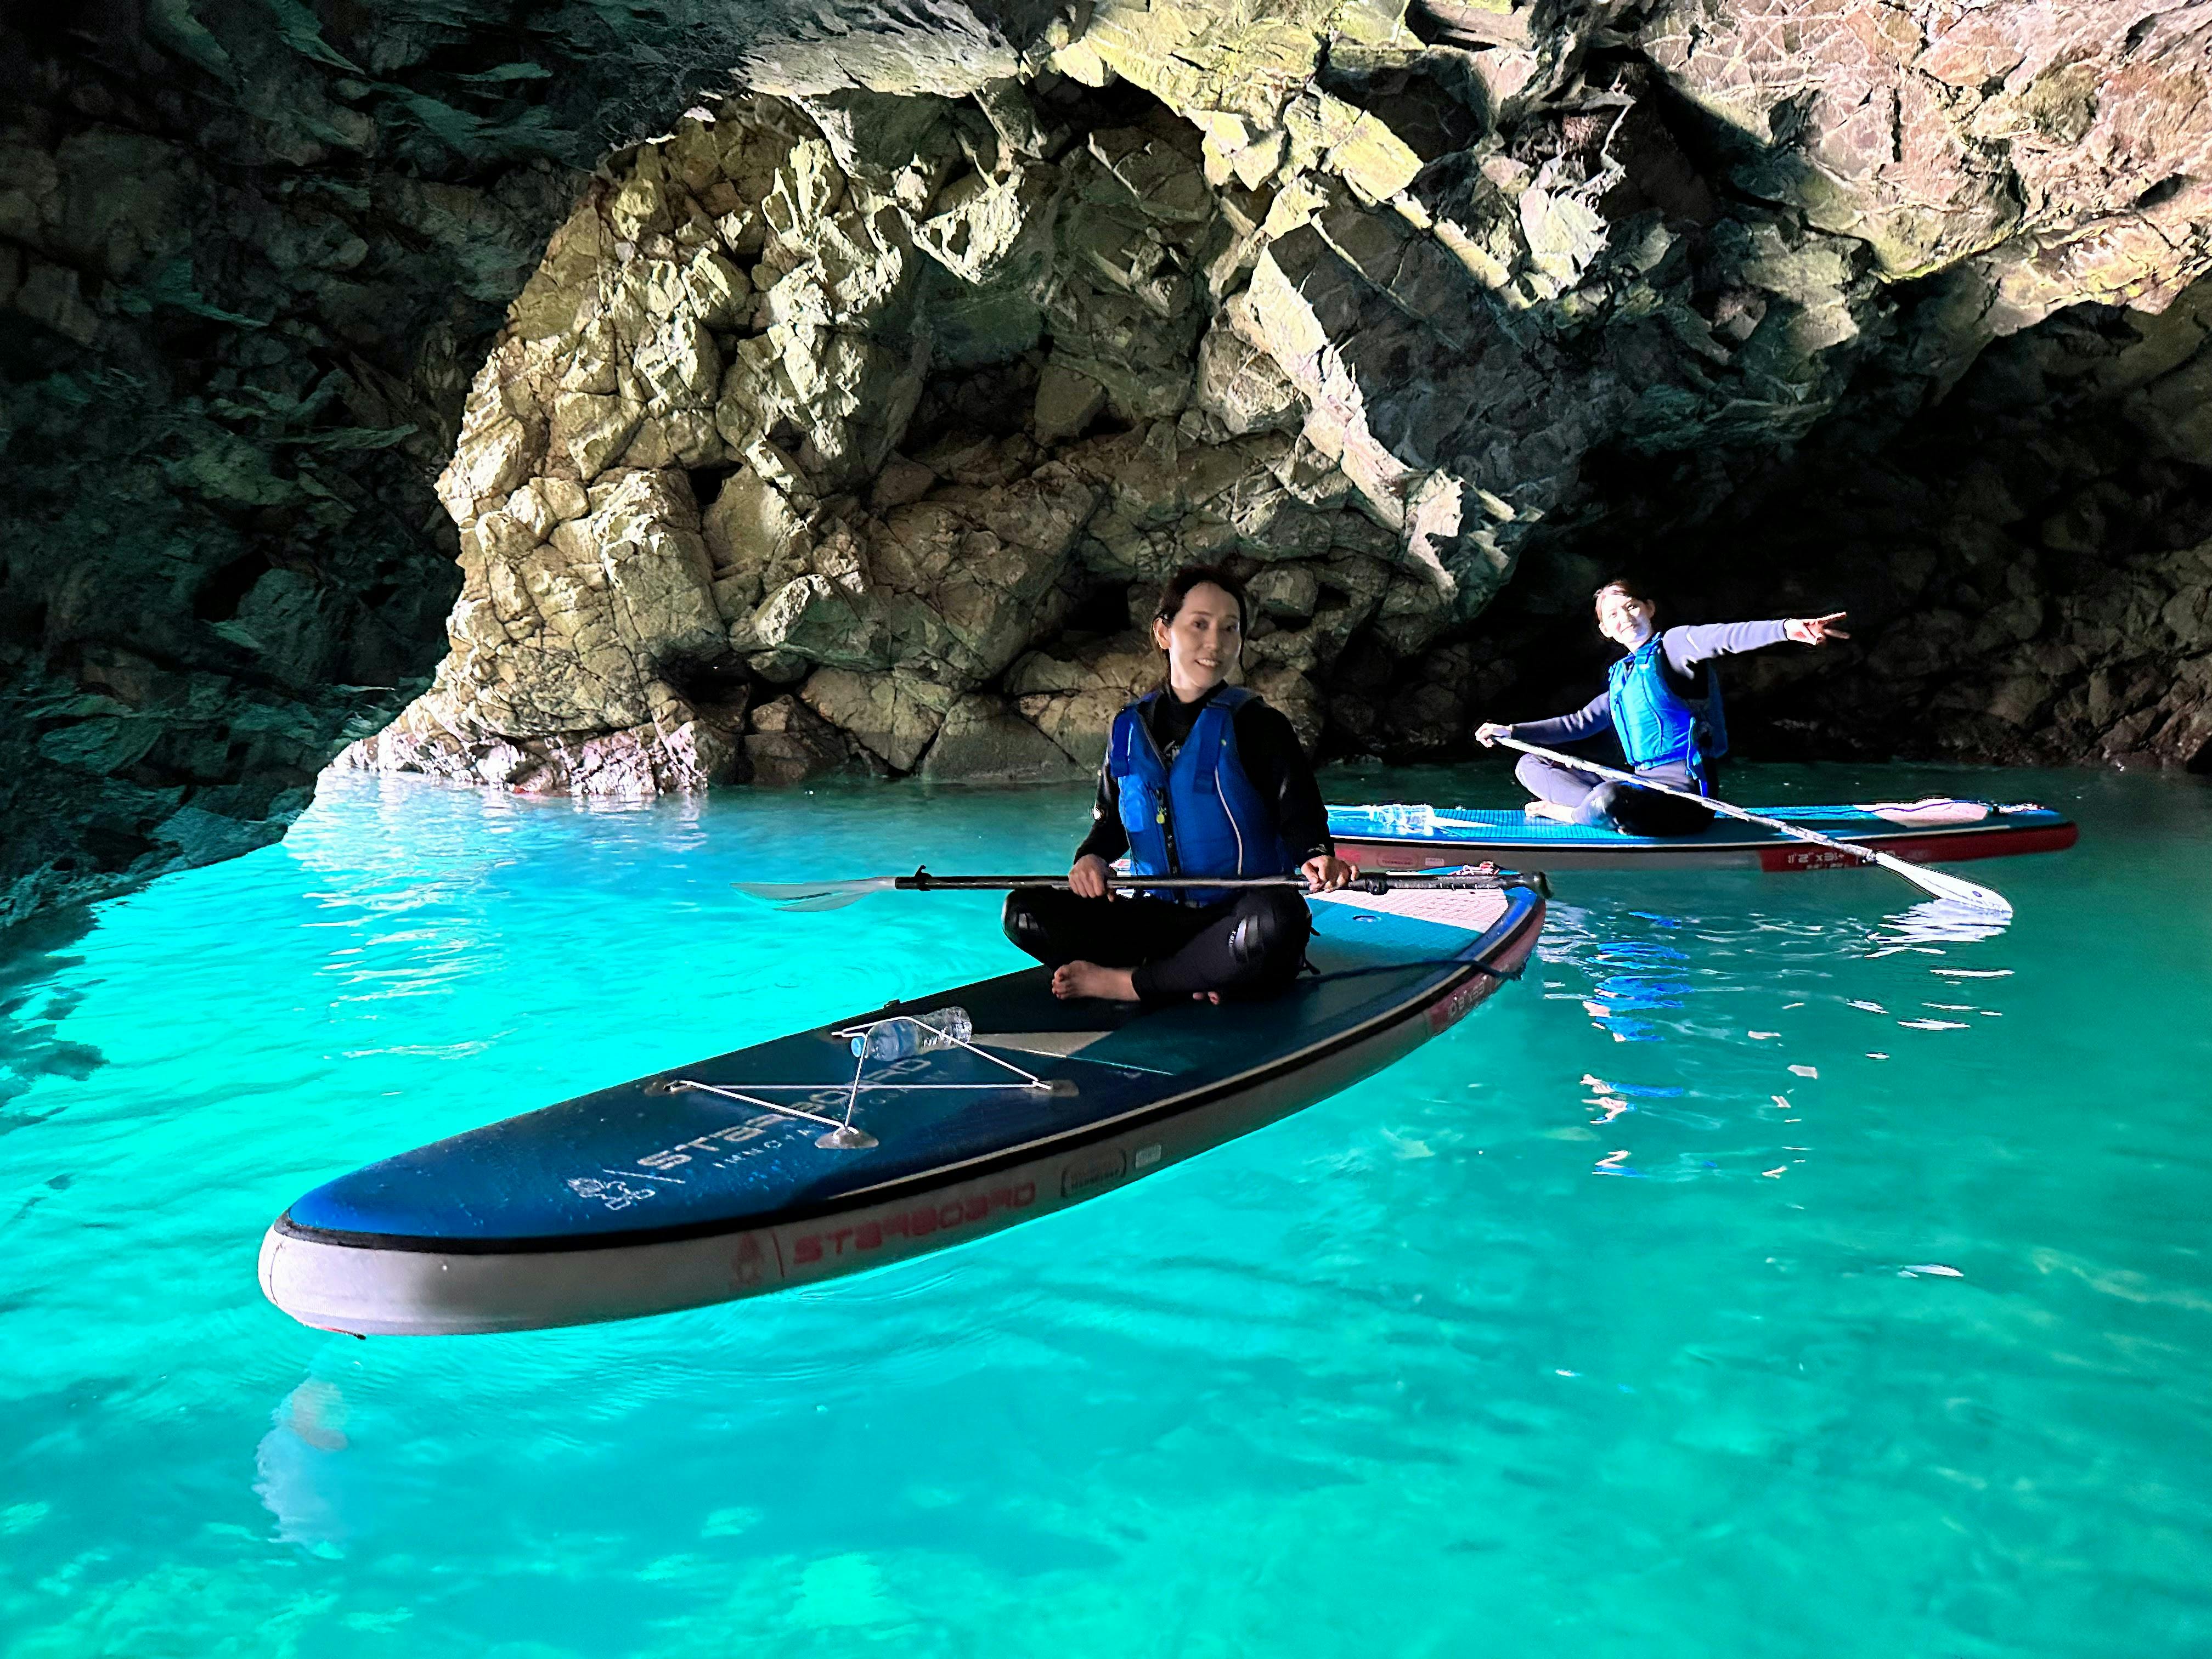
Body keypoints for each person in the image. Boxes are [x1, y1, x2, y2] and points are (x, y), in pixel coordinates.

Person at [1004, 565, 1356, 1003]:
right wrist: (1090, 859)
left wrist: (1318, 857)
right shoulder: (1127, 728)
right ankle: (1195, 974)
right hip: (1155, 918)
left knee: (1279, 920)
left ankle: (1128, 984)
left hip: (1237, 914)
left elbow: (1301, 816)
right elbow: (1112, 823)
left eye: (1231, 629)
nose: (1216, 643)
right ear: (1164, 632)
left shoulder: (1260, 725)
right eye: (1200, 625)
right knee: (1023, 912)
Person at [1474, 578, 1849, 836]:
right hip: (1639, 785)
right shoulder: (1624, 677)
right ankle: (1593, 812)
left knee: (1607, 798)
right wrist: (1511, 732)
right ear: (1606, 629)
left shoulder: (1674, 648)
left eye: (1632, 606)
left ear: (1649, 608)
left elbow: (1725, 638)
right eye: (1614, 616)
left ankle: (1575, 815)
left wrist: (1787, 628)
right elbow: (1579, 723)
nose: (1626, 618)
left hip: (1683, 798)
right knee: (1529, 764)